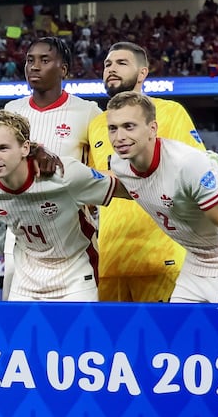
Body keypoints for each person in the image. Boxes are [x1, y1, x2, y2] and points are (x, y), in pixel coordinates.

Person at [106, 91, 218, 304]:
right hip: (196, 257)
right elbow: (130, 188)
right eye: (113, 128)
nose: (119, 137)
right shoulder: (119, 165)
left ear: (152, 128)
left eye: (129, 126)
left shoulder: (186, 163)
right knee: (177, 334)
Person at [88, 42, 207, 302]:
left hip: (161, 257)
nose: (111, 69)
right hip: (111, 259)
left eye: (121, 63)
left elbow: (197, 172)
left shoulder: (170, 112)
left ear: (143, 73)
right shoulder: (97, 124)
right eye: (107, 64)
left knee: (166, 341)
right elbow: (97, 186)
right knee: (112, 343)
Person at [0, 110, 120, 301]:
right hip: (26, 279)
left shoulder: (64, 175)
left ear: (25, 148)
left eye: (3, 148)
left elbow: (127, 187)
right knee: (22, 332)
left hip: (74, 275)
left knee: (76, 331)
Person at [1, 36, 102, 299]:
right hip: (22, 230)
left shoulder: (88, 111)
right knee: (19, 323)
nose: (34, 66)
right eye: (30, 60)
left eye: (44, 60)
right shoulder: (12, 111)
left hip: (70, 229)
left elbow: (99, 167)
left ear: (64, 69)